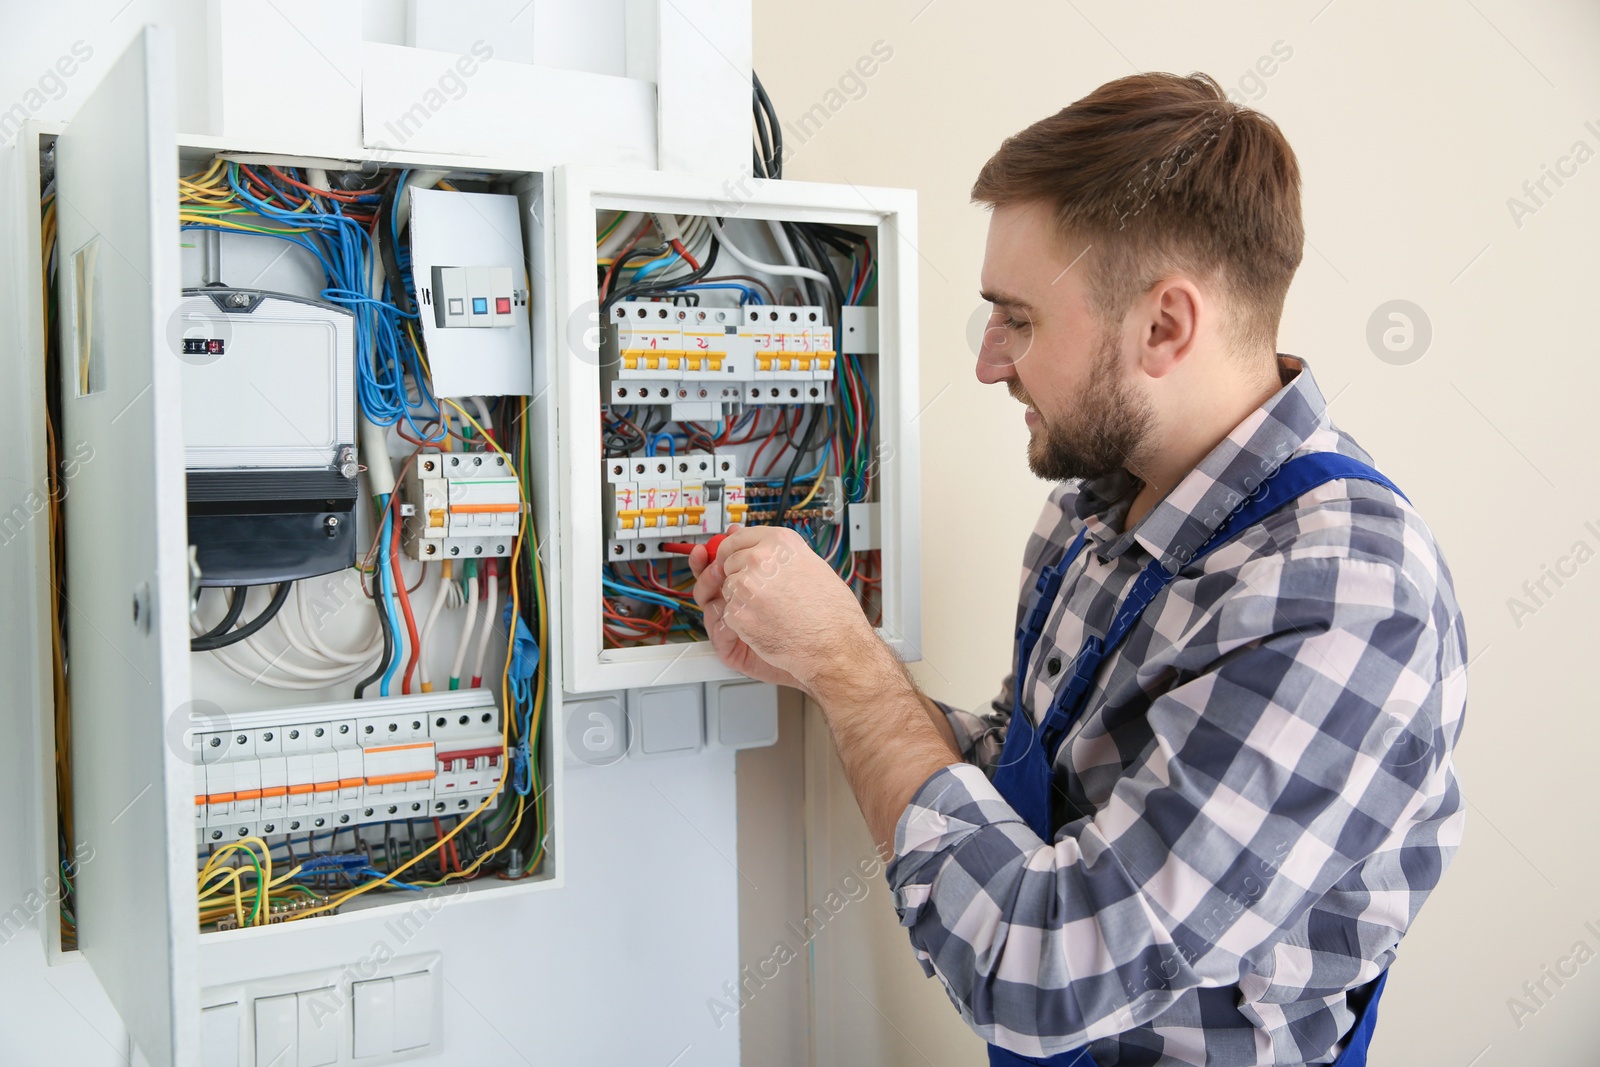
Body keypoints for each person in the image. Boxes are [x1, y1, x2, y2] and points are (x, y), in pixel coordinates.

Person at [689, 72, 1467, 1066]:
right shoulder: (1089, 512)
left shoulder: (1343, 592)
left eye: (1018, 317)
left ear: (1163, 327)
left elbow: (1046, 968)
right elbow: (1033, 797)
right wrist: (823, 657)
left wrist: (852, 669)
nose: (987, 361)